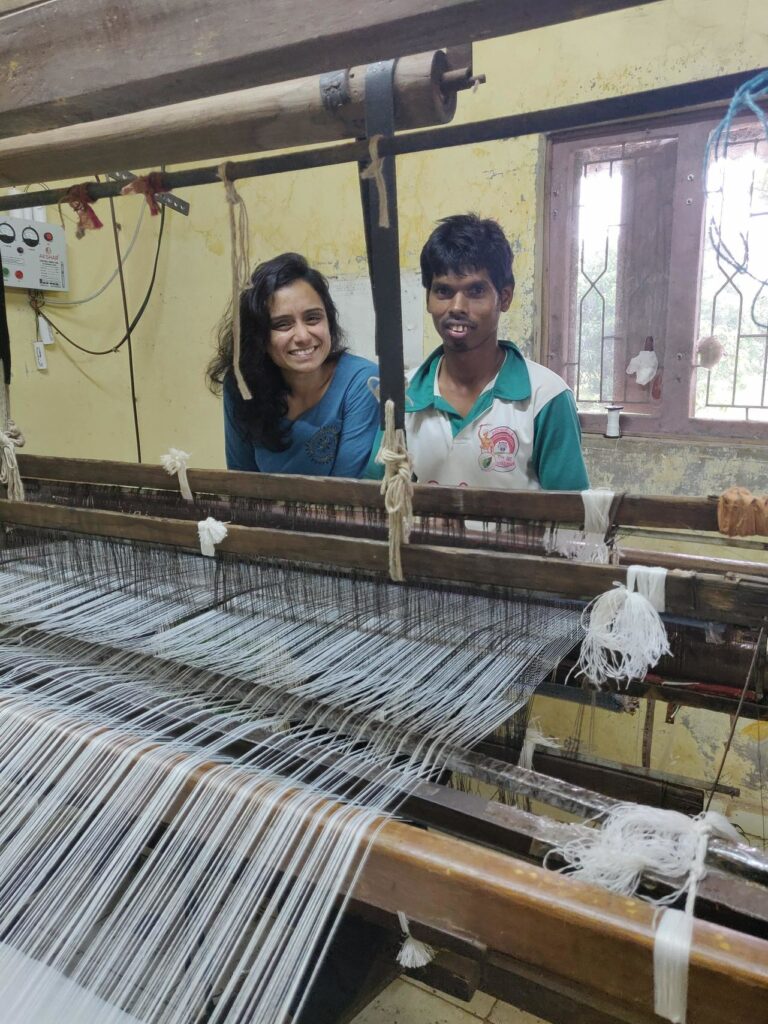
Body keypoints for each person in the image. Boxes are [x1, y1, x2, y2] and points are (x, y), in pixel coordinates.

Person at [365, 214, 589, 490]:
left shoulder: (546, 397)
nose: (457, 306)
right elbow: (377, 499)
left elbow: (571, 519)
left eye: (475, 290)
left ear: (504, 297)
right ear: (428, 299)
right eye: (444, 291)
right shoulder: (401, 397)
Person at [208, 253, 379, 477]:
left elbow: (345, 494)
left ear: (329, 320)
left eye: (312, 318)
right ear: (259, 336)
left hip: (339, 510)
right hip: (262, 512)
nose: (302, 336)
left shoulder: (363, 382)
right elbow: (242, 483)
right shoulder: (241, 385)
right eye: (282, 324)